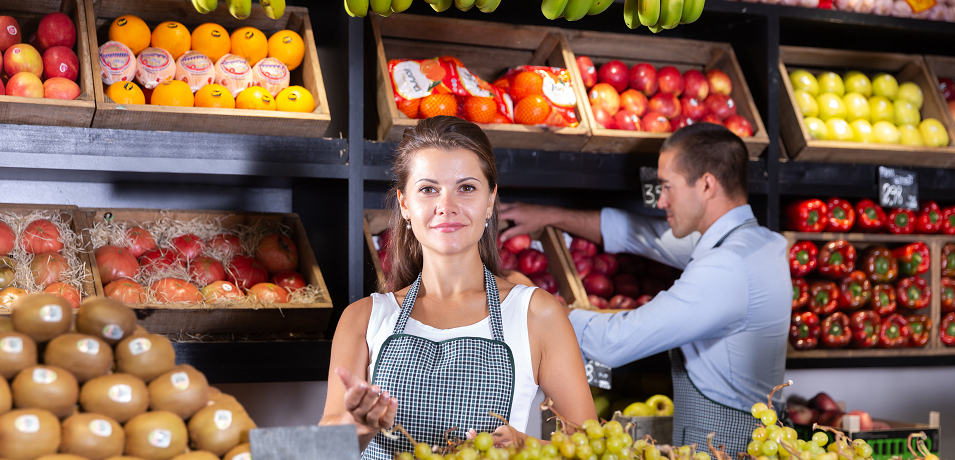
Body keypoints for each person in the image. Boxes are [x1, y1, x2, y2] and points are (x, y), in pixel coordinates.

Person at [500, 123, 790, 455]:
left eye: (667, 187)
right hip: (756, 435)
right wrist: (549, 214)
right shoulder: (758, 244)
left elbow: (614, 343)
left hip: (725, 447)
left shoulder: (726, 269)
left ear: (707, 184)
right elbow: (636, 233)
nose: (660, 200)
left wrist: (537, 307)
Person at [321, 116, 595, 460]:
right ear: (404, 204)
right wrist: (355, 424)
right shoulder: (362, 318)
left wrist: (528, 446)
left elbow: (589, 448)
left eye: (466, 187)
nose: (446, 206)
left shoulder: (537, 315)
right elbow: (323, 449)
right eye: (427, 189)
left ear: (490, 201)